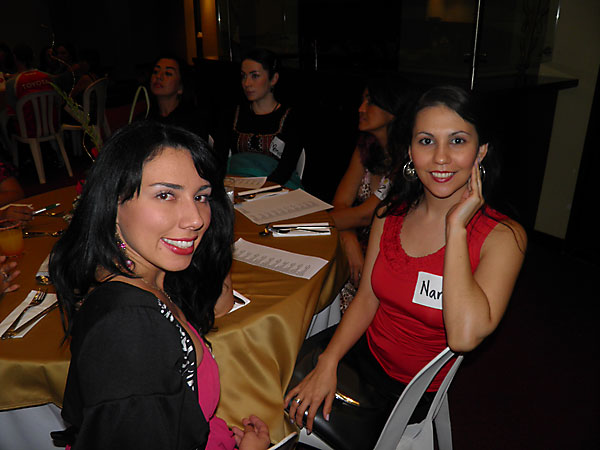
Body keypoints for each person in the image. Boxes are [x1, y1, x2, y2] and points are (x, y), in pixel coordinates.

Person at [285, 85, 527, 439]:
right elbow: (367, 298)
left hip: (409, 392)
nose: (440, 158)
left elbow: (463, 337)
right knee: (274, 372)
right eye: (426, 141)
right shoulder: (390, 215)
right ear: (410, 151)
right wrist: (329, 361)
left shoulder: (503, 238)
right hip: (362, 355)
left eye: (457, 141)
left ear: (481, 151)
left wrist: (456, 228)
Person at [49, 121, 270, 449]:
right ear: (113, 203)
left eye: (201, 196)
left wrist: (217, 245)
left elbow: (220, 302)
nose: (196, 218)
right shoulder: (129, 326)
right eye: (166, 195)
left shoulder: (149, 276)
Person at [330, 76, 413, 312]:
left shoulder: (408, 159)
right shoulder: (366, 147)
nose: (361, 108)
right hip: (359, 243)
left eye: (370, 101)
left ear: (393, 110)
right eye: (362, 100)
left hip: (391, 253)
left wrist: (305, 223)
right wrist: (348, 238)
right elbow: (341, 202)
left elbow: (367, 215)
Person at [223, 48, 303, 188]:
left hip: (276, 187)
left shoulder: (290, 117)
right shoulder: (234, 113)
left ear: (273, 79)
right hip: (237, 185)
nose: (247, 83)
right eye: (243, 76)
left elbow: (286, 168)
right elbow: (220, 158)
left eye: (255, 76)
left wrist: (261, 190)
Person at [145, 55, 209, 141]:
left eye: (168, 73)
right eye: (155, 71)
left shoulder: (194, 121)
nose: (158, 76)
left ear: (181, 87)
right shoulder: (144, 120)